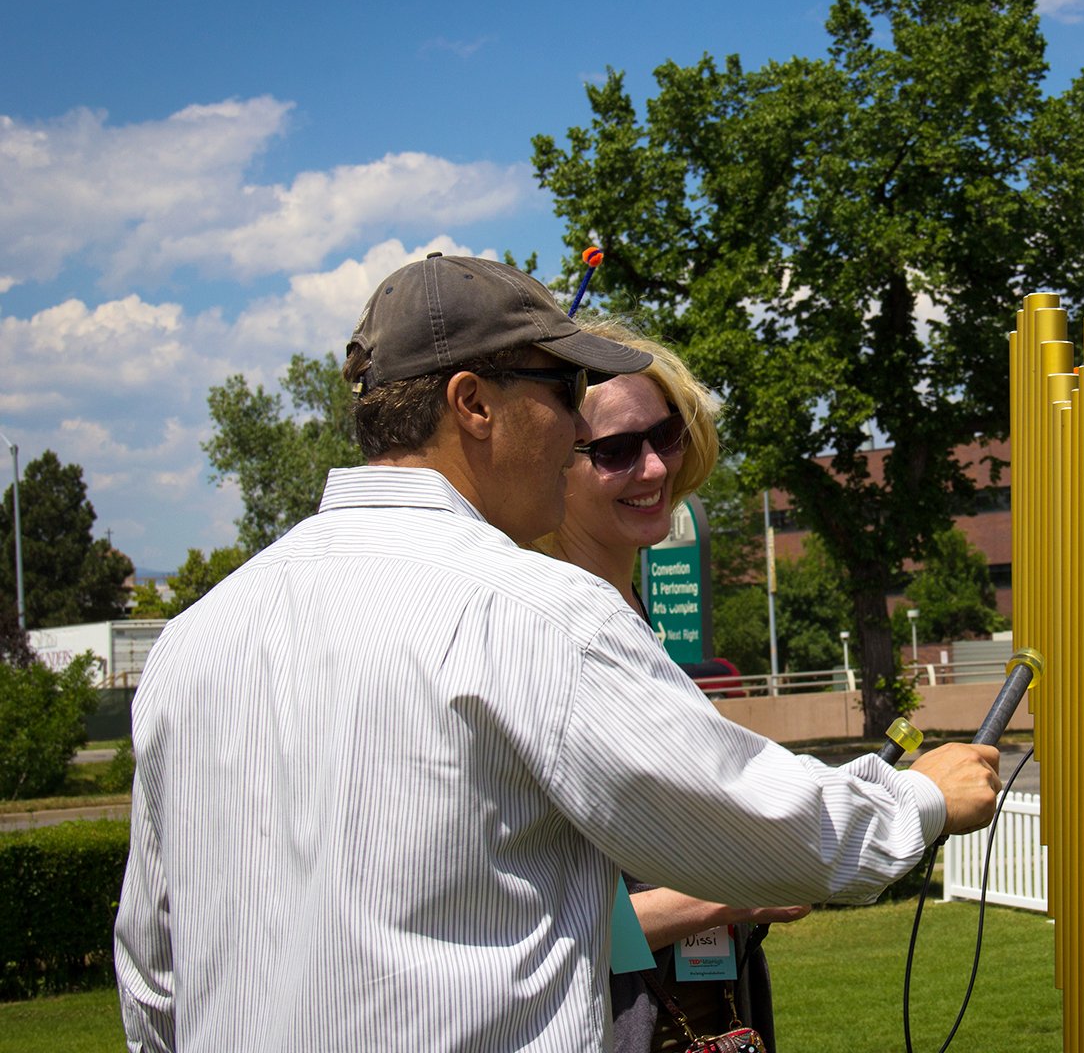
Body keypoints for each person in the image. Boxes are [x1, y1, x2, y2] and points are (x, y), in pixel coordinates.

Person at [113, 253, 1001, 1052]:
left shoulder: (195, 638)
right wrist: (923, 796)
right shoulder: (535, 612)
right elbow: (770, 830)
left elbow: (153, 977)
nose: (580, 429)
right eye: (565, 392)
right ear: (473, 403)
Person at [533, 326, 798, 1052]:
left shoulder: (633, 621)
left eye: (666, 434)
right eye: (616, 450)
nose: (653, 467)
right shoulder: (546, 638)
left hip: (705, 1015)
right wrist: (735, 891)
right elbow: (535, 922)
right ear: (550, 463)